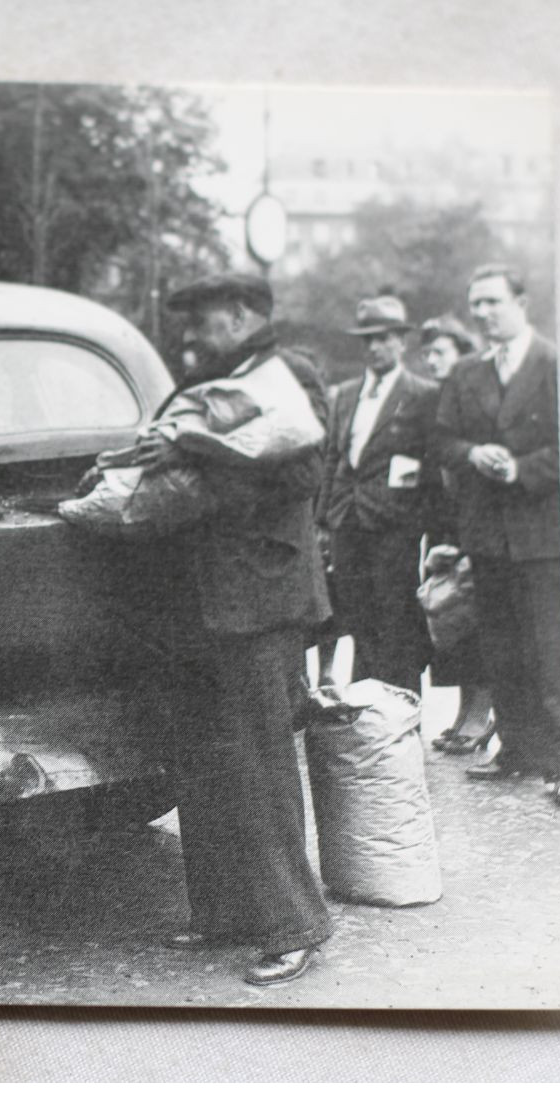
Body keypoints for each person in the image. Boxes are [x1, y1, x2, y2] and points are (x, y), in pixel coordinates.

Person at [155, 272, 334, 987]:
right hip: (206, 601)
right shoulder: (214, 378)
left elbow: (303, 473)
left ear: (238, 314)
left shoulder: (287, 374)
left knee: (261, 763)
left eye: (200, 320)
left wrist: (198, 465)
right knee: (202, 756)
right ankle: (224, 912)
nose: (187, 335)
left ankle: (295, 926)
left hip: (261, 597)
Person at [431, 264, 560, 806]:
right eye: (476, 305)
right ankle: (518, 750)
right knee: (503, 649)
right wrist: (471, 453)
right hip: (488, 535)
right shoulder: (466, 373)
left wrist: (519, 469)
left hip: (540, 536)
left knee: (550, 651)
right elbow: (441, 440)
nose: (484, 314)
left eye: (493, 302)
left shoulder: (554, 363)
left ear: (521, 302)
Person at [316, 296, 440, 694]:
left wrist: (413, 519)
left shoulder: (421, 394)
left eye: (383, 339)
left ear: (402, 342)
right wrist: (324, 519)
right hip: (347, 523)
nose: (373, 348)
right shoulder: (347, 395)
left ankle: (399, 715)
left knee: (396, 621)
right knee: (357, 618)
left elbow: (431, 466)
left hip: (392, 527)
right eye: (367, 340)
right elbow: (335, 456)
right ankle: (365, 718)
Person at [417, 315, 495, 754]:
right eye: (426, 353)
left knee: (475, 620)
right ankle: (465, 712)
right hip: (442, 523)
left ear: (463, 355)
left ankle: (480, 715)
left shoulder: (477, 399)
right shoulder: (435, 401)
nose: (430, 360)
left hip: (474, 523)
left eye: (439, 352)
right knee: (448, 617)